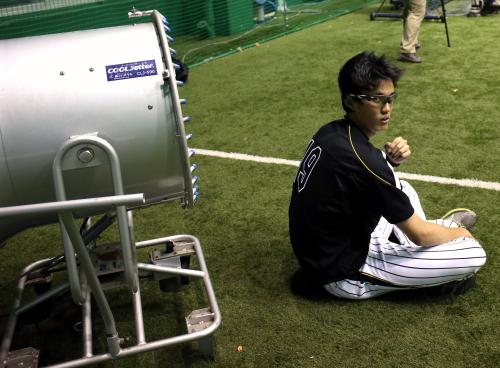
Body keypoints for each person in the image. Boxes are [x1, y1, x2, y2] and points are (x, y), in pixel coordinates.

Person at [288, 51, 486, 300]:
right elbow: (420, 234)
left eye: (391, 98)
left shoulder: (331, 132)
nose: (387, 108)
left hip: (327, 245)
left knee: (403, 187)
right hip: (343, 270)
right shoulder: (364, 159)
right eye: (377, 99)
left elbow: (361, 178)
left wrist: (390, 162)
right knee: (472, 253)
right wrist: (461, 235)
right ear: (350, 102)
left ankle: (437, 234)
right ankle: (443, 234)